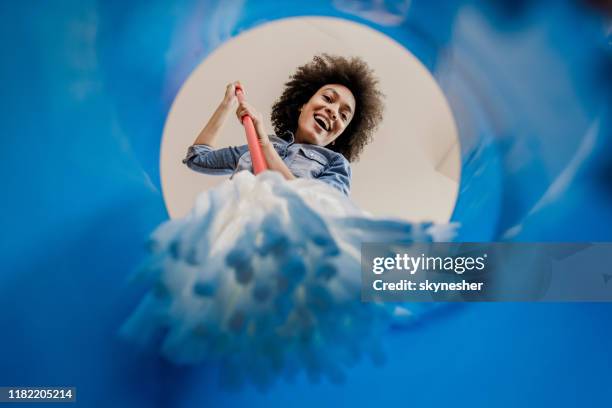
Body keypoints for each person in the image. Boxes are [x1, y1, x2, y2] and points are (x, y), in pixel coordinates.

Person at [183, 54, 384, 196]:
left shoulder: (336, 164)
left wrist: (264, 145)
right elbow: (197, 158)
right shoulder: (255, 148)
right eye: (328, 98)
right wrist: (227, 104)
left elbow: (319, 209)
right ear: (302, 105)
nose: (333, 111)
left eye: (343, 115)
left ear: (340, 135)